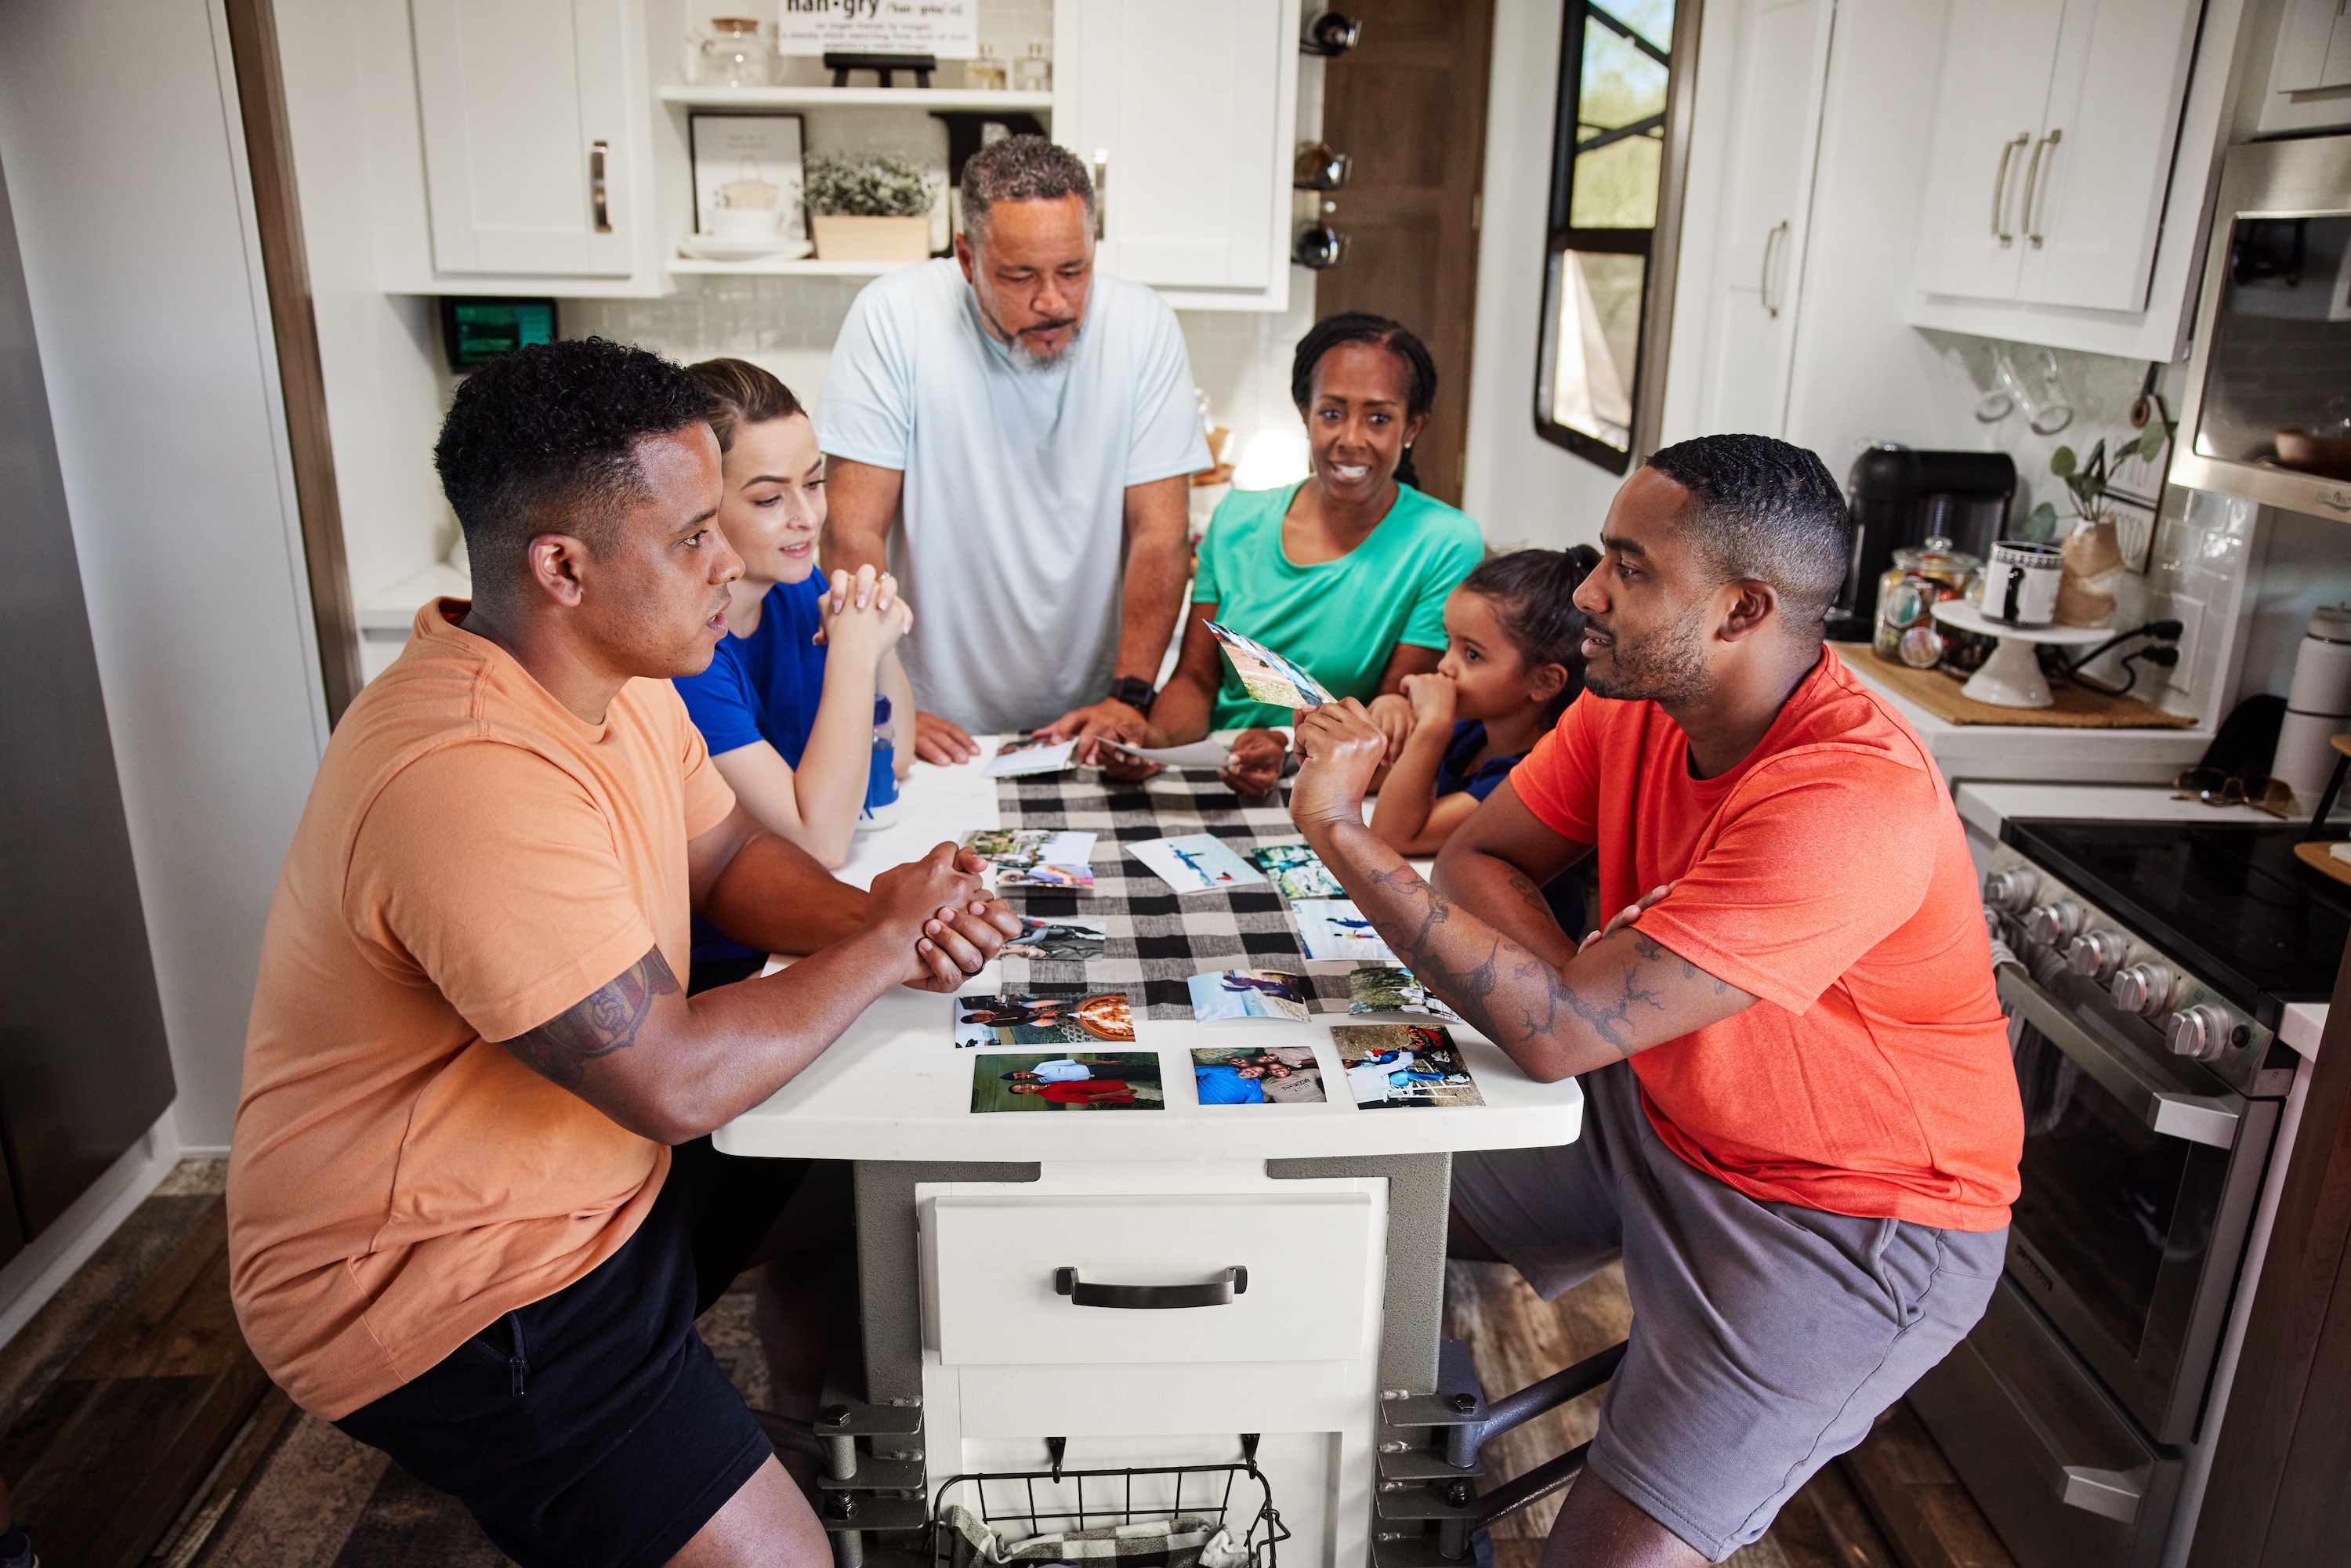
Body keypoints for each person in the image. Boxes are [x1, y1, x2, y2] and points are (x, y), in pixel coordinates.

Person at [226, 339, 1020, 1568]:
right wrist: (887, 945)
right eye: (696, 534)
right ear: (563, 566)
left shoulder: (625, 673)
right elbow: (675, 1079)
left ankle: (782, 1440)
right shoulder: (465, 773)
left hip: (600, 1184)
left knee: (885, 1181)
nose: (730, 563)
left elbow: (725, 864)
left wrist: (872, 917)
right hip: (449, 1284)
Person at [1282, 434, 2023, 1566]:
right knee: (1319, 1177)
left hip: (1845, 1220)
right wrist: (1575, 1004)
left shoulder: (1848, 799)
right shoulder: (1639, 695)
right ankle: (1367, 1477)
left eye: (1628, 567)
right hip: (1653, 1116)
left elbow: (1561, 1031)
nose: (1587, 591)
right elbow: (1485, 860)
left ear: (1742, 609)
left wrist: (1340, 830)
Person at [817, 135, 1209, 761]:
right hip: (928, 714)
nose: (1052, 300)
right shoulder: (892, 317)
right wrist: (883, 697)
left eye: (1073, 271)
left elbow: (1159, 533)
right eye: (1021, 275)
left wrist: (1130, 697)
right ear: (967, 258)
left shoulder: (1145, 326)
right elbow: (852, 531)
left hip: (1091, 712)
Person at [1089, 313, 1483, 795]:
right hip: (1218, 772)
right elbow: (1195, 679)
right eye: (1332, 413)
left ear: (1412, 427)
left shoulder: (1443, 542)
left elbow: (1392, 712)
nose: (1351, 439)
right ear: (1305, 413)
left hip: (1343, 787)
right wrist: (1154, 742)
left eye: (1378, 418)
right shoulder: (1236, 520)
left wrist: (1284, 745)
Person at [670, 358, 920, 990]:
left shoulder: (796, 584)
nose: (807, 517)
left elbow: (890, 763)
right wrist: (856, 654)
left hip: (794, 927)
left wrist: (875, 635)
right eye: (769, 498)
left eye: (814, 483)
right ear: (699, 506)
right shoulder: (684, 659)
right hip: (722, 966)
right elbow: (819, 841)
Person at [1369, 547, 1599, 934]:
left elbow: (1394, 836)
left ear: (1543, 681)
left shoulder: (1532, 769)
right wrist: (1391, 712)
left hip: (1518, 956)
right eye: (1449, 643)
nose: (1445, 666)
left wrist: (1430, 728)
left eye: (1471, 654)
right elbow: (1374, 778)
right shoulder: (1475, 729)